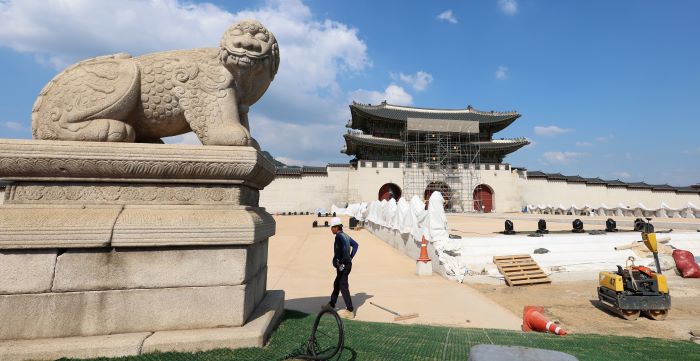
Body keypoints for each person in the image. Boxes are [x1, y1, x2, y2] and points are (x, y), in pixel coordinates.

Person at [323, 217, 359, 319]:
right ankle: (331, 305)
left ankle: (350, 310)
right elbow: (356, 245)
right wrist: (350, 257)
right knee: (337, 284)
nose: (331, 229)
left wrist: (341, 262)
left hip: (343, 266)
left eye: (332, 227)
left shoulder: (339, 237)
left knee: (343, 286)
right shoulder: (346, 236)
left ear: (337, 227)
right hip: (346, 265)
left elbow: (343, 249)